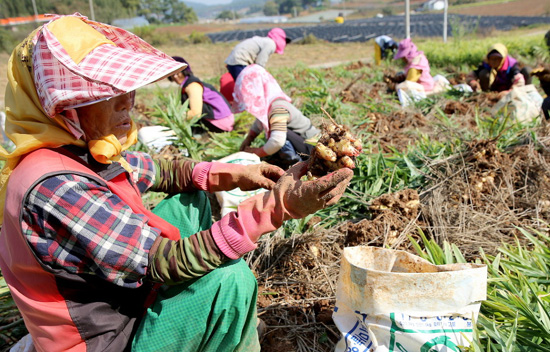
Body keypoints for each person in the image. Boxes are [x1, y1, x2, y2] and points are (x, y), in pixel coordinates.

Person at [0, 14, 353, 352]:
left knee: (191, 200)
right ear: (61, 107)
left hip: (126, 299)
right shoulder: (54, 187)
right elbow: (166, 261)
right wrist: (277, 208)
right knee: (229, 283)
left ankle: (219, 321)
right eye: (106, 93)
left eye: (125, 88)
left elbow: (163, 172)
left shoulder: (78, 149)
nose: (128, 102)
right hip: (109, 340)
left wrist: (234, 175)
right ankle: (227, 330)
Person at [234, 64, 321, 169]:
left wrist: (255, 152)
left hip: (313, 147)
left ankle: (298, 165)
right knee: (275, 129)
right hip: (304, 143)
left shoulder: (278, 108)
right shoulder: (271, 107)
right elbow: (259, 123)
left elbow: (277, 141)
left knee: (278, 133)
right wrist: (249, 138)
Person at [168, 56, 234, 133]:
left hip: (220, 122)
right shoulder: (187, 84)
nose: (175, 77)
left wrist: (175, 119)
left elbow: (195, 113)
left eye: (177, 73)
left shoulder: (193, 86)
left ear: (184, 71)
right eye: (172, 74)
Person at [224, 27, 291, 82]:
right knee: (246, 86)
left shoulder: (265, 41)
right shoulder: (271, 43)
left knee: (244, 86)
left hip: (234, 61)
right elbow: (260, 63)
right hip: (239, 61)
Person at [466, 43, 531, 96]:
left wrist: (509, 92)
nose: (494, 61)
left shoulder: (511, 65)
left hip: (509, 88)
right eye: (492, 59)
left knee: (527, 71)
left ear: (503, 59)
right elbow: (472, 75)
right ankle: (486, 94)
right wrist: (473, 82)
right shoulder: (486, 64)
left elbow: (518, 79)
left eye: (497, 59)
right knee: (483, 73)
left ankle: (525, 94)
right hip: (494, 90)